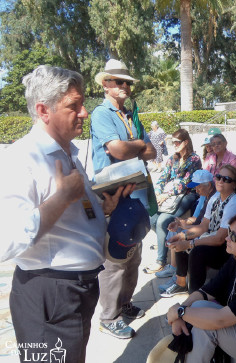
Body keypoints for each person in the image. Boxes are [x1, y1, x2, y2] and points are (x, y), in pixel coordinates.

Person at [0, 65, 131, 361]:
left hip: (76, 290)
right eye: (74, 105)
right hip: (51, 294)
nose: (84, 112)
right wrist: (61, 198)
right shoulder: (20, 159)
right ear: (44, 111)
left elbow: (74, 212)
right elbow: (5, 241)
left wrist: (101, 210)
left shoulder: (67, 152)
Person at [91, 59, 156, 338]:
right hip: (113, 196)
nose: (125, 86)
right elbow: (117, 149)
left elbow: (153, 152)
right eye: (119, 81)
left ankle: (125, 303)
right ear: (106, 84)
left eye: (128, 82)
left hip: (135, 194)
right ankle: (108, 316)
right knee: (114, 257)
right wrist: (140, 145)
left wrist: (139, 148)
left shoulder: (129, 114)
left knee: (134, 252)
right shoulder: (101, 114)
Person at [166, 211, 236, 363]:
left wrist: (180, 312)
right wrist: (182, 309)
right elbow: (206, 291)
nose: (227, 238)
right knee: (199, 307)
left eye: (233, 236)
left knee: (208, 326)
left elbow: (220, 321)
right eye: (228, 232)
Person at [163, 165, 236, 295]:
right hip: (215, 239)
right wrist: (182, 236)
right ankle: (180, 283)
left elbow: (220, 239)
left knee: (197, 251)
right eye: (219, 177)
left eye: (226, 179)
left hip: (229, 247)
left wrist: (190, 243)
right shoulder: (215, 198)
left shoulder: (235, 202)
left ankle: (194, 294)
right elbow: (203, 227)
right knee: (185, 240)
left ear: (235, 185)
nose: (220, 181)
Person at [145, 129, 201, 275]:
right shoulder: (172, 159)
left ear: (186, 142)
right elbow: (163, 177)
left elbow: (187, 182)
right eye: (173, 142)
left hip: (187, 195)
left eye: (177, 142)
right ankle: (163, 242)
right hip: (169, 197)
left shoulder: (194, 159)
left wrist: (167, 194)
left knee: (162, 221)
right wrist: (158, 192)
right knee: (151, 218)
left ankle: (161, 261)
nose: (174, 144)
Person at [158, 169, 217, 293]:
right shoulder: (206, 197)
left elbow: (204, 227)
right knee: (179, 234)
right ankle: (179, 277)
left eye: (198, 187)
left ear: (209, 185)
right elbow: (198, 219)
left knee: (182, 239)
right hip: (204, 230)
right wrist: (182, 222)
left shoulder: (213, 199)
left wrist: (184, 230)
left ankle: (180, 281)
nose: (196, 190)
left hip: (209, 235)